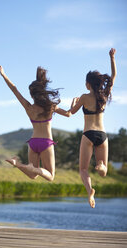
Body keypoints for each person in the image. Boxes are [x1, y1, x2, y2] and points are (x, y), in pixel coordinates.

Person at [0, 65, 72, 181]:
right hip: (46, 142)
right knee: (50, 176)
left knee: (32, 176)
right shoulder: (51, 107)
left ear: (32, 95)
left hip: (33, 142)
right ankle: (33, 168)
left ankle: (17, 163)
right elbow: (68, 114)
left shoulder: (28, 108)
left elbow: (14, 89)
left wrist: (3, 75)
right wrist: (73, 105)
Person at [70, 48, 117, 208]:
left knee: (83, 169)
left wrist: (73, 102)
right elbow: (113, 77)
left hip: (88, 134)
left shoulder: (84, 97)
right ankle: (102, 166)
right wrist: (112, 58)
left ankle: (90, 190)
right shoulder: (103, 96)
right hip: (102, 135)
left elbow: (71, 112)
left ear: (88, 83)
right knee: (103, 172)